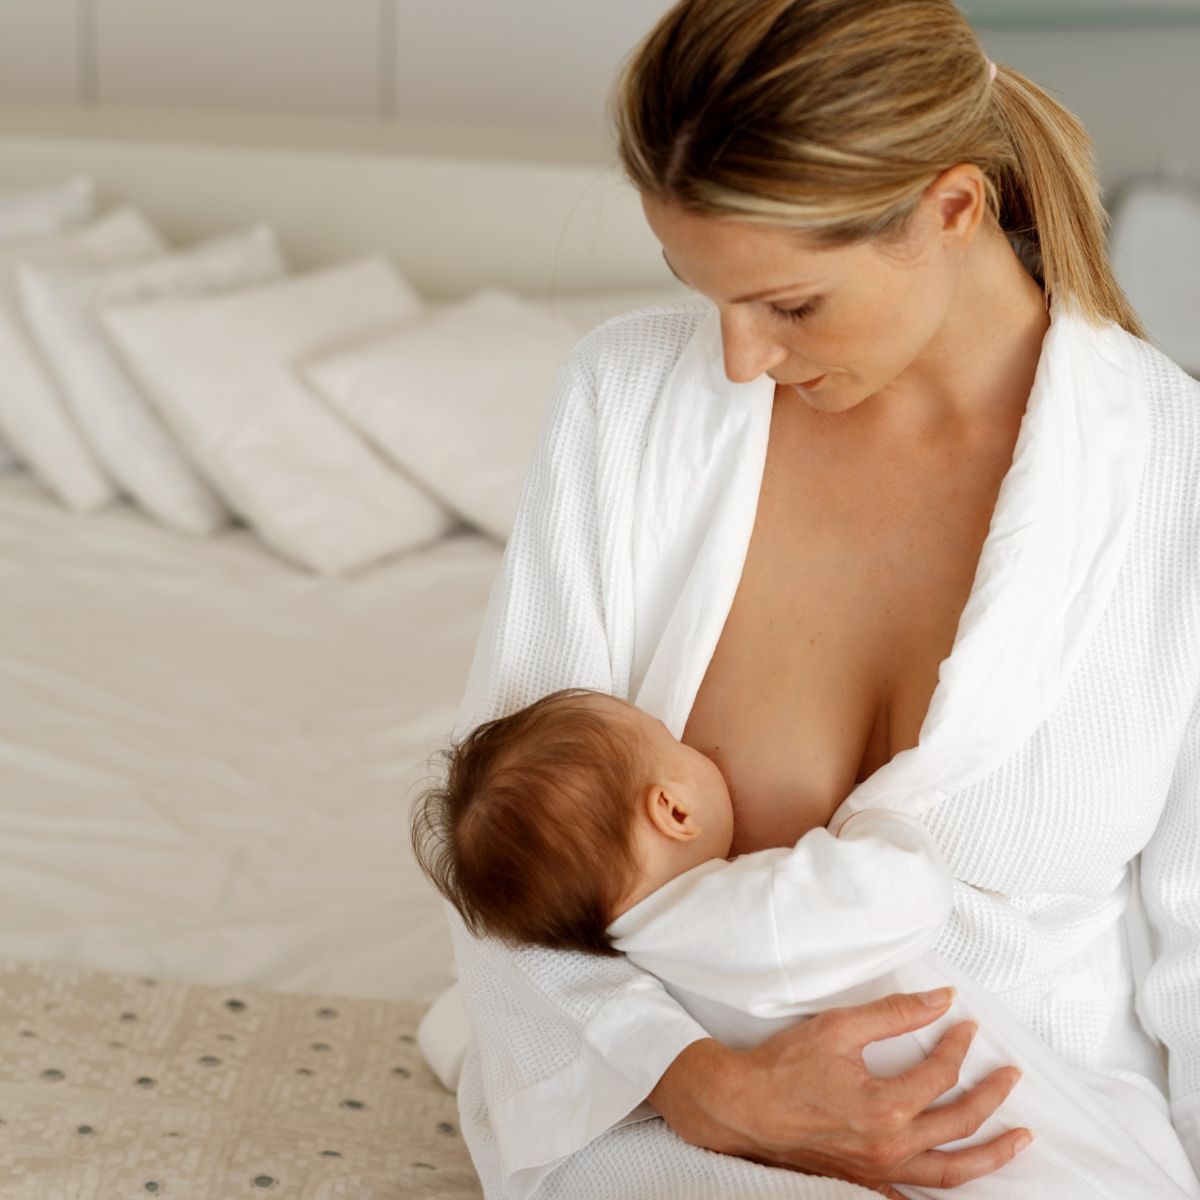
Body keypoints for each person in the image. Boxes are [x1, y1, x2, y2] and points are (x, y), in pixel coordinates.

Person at [430, 1, 1200, 1196]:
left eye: (790, 305)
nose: (739, 359)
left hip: (1037, 1138)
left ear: (953, 208)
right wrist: (702, 1087)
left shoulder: (1171, 479)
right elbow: (507, 879)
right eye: (702, 290)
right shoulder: (623, 403)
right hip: (673, 1120)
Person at [412, 685, 1200, 1198]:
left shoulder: (639, 956)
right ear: (673, 812)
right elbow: (904, 894)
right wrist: (877, 817)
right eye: (673, 741)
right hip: (1009, 1136)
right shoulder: (745, 912)